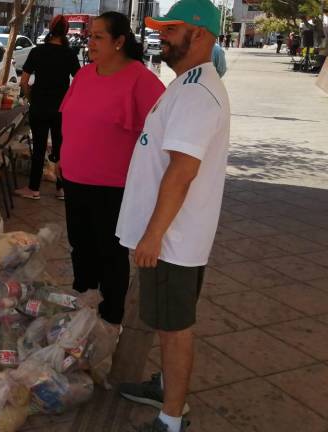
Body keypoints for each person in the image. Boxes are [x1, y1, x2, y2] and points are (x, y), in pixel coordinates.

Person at [116, 0, 231, 430]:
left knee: (173, 327)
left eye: (171, 29)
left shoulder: (199, 93)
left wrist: (153, 235)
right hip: (171, 235)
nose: (161, 36)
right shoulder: (188, 83)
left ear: (199, 34)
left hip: (172, 240)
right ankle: (168, 387)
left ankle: (171, 418)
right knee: (169, 321)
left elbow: (182, 172)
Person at [57, 11, 165, 325]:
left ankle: (110, 314)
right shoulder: (84, 74)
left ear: (119, 42)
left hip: (114, 185)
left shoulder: (141, 79)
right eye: (89, 36)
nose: (90, 42)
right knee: (80, 245)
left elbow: (164, 130)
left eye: (98, 36)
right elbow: (70, 118)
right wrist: (62, 157)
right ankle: (84, 302)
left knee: (110, 251)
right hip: (76, 178)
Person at [15, 15, 80, 200]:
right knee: (61, 148)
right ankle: (61, 189)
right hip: (61, 109)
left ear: (50, 29)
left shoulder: (37, 52)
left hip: (39, 107)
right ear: (66, 32)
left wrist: (31, 98)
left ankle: (33, 189)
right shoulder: (70, 54)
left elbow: (24, 81)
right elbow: (80, 81)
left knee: (39, 147)